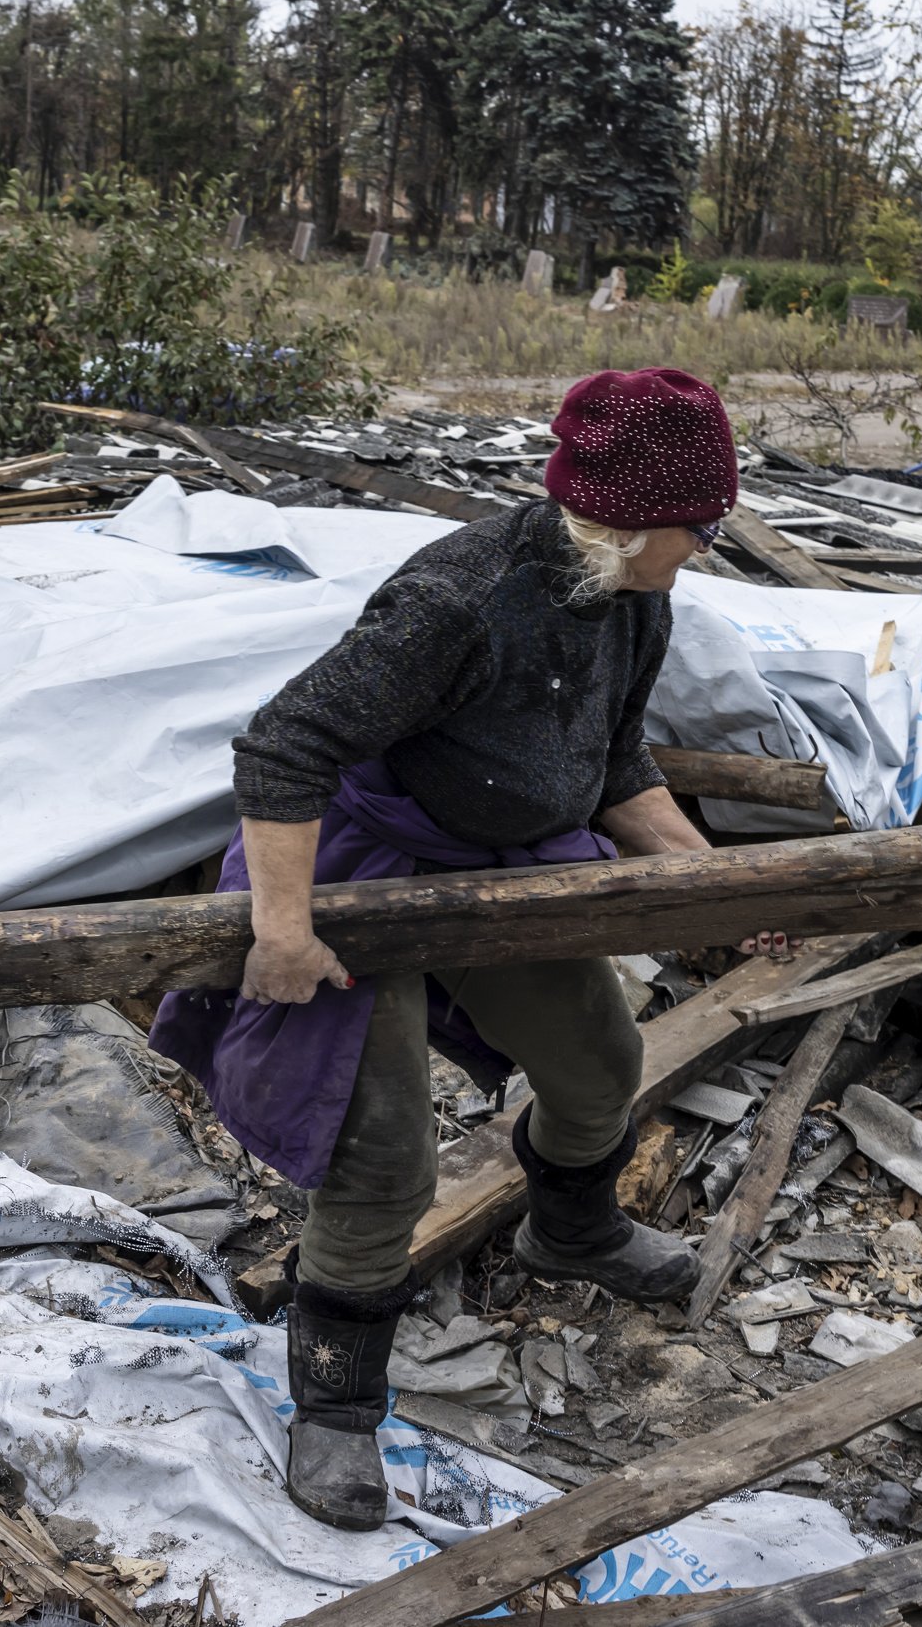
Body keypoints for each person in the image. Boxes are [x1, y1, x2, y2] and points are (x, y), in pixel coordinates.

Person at [151, 366, 785, 1533]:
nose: (704, 546)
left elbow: (614, 766)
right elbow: (282, 748)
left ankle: (572, 1225)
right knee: (381, 1147)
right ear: (633, 522)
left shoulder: (634, 598)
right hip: (364, 871)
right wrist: (283, 932)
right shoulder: (457, 602)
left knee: (599, 1059)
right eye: (697, 528)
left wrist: (708, 879)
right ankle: (336, 1405)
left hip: (505, 860)